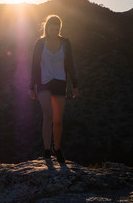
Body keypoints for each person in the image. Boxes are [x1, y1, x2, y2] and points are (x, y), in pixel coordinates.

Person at [29, 15, 78, 163]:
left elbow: (70, 64)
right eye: (52, 27)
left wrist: (74, 84)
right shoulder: (40, 43)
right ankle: (46, 149)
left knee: (58, 120)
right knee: (48, 115)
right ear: (47, 27)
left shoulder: (65, 43)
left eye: (57, 28)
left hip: (60, 83)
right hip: (43, 82)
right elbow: (34, 65)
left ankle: (57, 148)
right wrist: (31, 86)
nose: (55, 30)